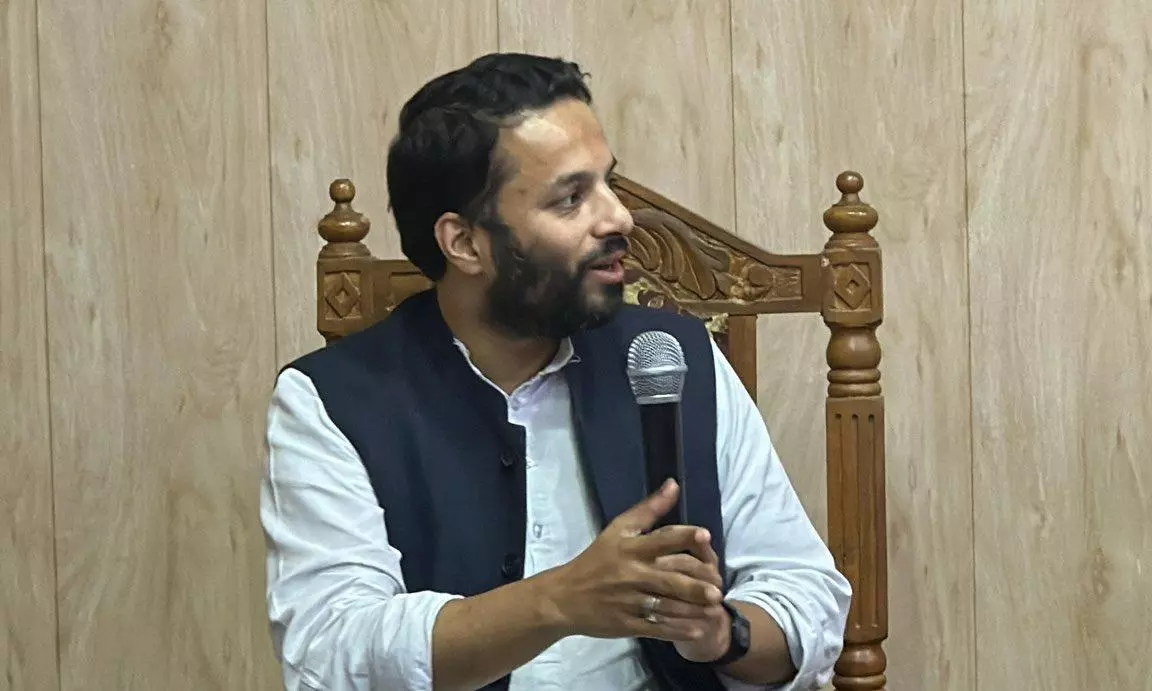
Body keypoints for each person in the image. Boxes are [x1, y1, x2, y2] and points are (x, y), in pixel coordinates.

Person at [259, 52, 851, 691]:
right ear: (465, 243)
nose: (619, 218)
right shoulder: (331, 401)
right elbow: (333, 651)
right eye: (571, 199)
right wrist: (559, 600)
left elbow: (808, 598)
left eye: (607, 183)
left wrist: (721, 632)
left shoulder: (673, 356)